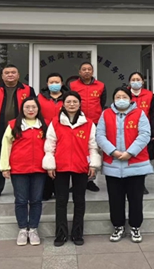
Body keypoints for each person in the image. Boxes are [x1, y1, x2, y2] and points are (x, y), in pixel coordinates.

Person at [43, 91, 101, 247]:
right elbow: (50, 145)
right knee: (61, 201)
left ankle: (77, 233)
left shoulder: (88, 123)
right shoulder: (55, 122)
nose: (72, 104)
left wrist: (93, 164)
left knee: (79, 200)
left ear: (80, 104)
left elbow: (92, 146)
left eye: (75, 101)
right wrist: (50, 164)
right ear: (63, 104)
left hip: (81, 166)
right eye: (68, 101)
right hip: (60, 167)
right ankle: (61, 234)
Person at [96, 87, 153, 243]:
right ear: (113, 99)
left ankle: (135, 226)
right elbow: (100, 135)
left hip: (136, 164)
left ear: (130, 99)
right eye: (118, 97)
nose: (121, 99)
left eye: (124, 97)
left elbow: (145, 134)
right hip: (113, 165)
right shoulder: (106, 114)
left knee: (136, 199)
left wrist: (130, 152)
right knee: (115, 199)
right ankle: (118, 226)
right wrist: (113, 151)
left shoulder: (139, 113)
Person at [0, 64, 36, 200]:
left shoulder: (28, 89)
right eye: (7, 73)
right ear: (2, 75)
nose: (10, 75)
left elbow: (34, 108)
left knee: (22, 159)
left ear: (18, 75)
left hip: (21, 129)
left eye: (13, 72)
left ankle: (24, 188)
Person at [0, 97, 48, 246]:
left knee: (36, 200)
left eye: (34, 107)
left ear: (38, 109)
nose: (31, 110)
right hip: (19, 169)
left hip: (39, 169)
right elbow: (6, 146)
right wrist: (5, 167)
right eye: (27, 107)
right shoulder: (14, 124)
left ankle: (33, 229)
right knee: (21, 200)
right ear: (22, 109)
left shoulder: (45, 125)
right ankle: (22, 229)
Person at [70, 62, 106, 192]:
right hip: (77, 122)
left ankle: (90, 180)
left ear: (92, 71)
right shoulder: (73, 85)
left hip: (95, 123)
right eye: (84, 69)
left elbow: (102, 103)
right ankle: (76, 181)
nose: (86, 71)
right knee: (77, 151)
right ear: (79, 72)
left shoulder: (101, 86)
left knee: (93, 150)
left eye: (89, 69)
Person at [128, 72, 154, 195]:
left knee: (143, 159)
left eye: (138, 79)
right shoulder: (124, 94)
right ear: (129, 82)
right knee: (129, 157)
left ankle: (141, 184)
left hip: (145, 133)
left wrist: (153, 133)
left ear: (143, 81)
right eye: (133, 79)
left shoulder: (150, 95)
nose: (136, 81)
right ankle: (129, 184)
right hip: (128, 131)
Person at [38, 73, 67, 201]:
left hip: (63, 134)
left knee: (60, 161)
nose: (54, 84)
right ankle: (46, 190)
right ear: (47, 84)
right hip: (44, 133)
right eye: (51, 82)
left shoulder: (67, 97)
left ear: (62, 84)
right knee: (46, 160)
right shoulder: (40, 97)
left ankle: (58, 190)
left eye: (57, 82)